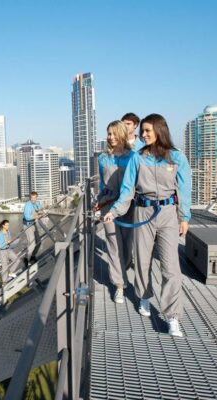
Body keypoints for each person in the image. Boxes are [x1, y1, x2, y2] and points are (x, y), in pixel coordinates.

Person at [104, 113, 191, 337]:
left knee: (170, 266)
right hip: (142, 211)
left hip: (168, 214)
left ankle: (172, 316)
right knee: (142, 260)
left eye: (147, 131)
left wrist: (185, 217)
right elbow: (127, 190)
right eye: (142, 131)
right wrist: (114, 212)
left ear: (160, 131)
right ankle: (144, 295)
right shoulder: (138, 158)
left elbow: (184, 190)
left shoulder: (176, 157)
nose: (143, 135)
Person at [95, 121, 134, 304]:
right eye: (108, 133)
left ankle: (123, 269)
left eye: (113, 133)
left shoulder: (133, 157)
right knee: (113, 244)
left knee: (127, 244)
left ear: (121, 134)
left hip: (129, 205)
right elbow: (103, 183)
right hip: (108, 204)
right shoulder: (103, 158)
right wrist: (99, 201)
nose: (110, 137)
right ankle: (119, 285)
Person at [23, 191, 43, 263]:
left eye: (35, 198)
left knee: (39, 242)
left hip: (33, 224)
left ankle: (33, 256)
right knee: (32, 243)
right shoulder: (28, 205)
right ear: (30, 198)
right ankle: (26, 259)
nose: (33, 199)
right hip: (28, 226)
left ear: (37, 198)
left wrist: (40, 213)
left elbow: (40, 210)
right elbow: (27, 217)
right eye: (32, 198)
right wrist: (37, 216)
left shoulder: (37, 203)